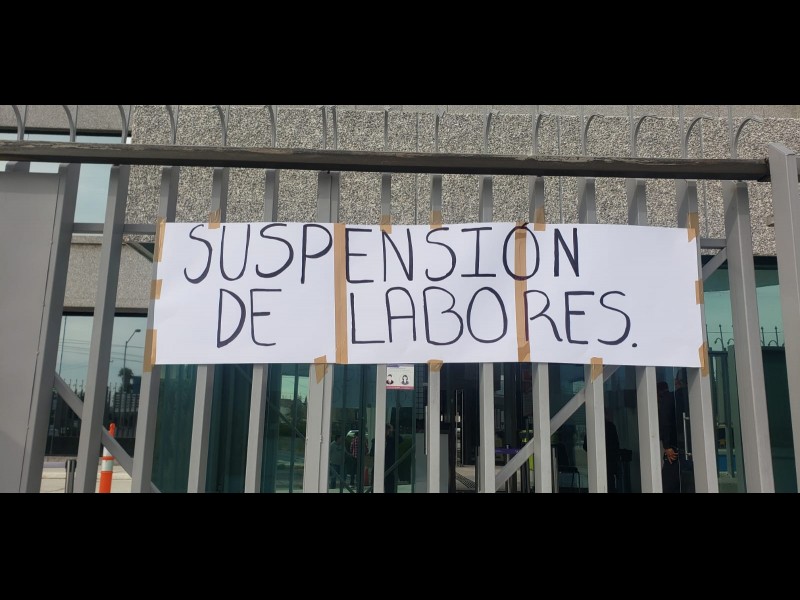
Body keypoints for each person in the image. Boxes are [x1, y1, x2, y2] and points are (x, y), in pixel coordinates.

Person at [582, 412, 621, 492]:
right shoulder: (610, 426)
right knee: (610, 484)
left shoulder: (592, 427)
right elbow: (616, 445)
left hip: (598, 462)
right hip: (610, 462)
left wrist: (594, 453)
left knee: (597, 483)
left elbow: (585, 446)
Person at [658, 380, 681, 493]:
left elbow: (665, 423)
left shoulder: (667, 400)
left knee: (668, 483)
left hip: (673, 449)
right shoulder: (683, 398)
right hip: (683, 446)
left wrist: (667, 446)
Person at [371, 422, 402, 493]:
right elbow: (372, 453)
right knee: (375, 487)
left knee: (390, 487)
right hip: (378, 467)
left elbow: (400, 439)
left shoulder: (392, 440)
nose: (385, 432)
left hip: (389, 466)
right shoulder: (375, 440)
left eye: (387, 430)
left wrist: (392, 431)